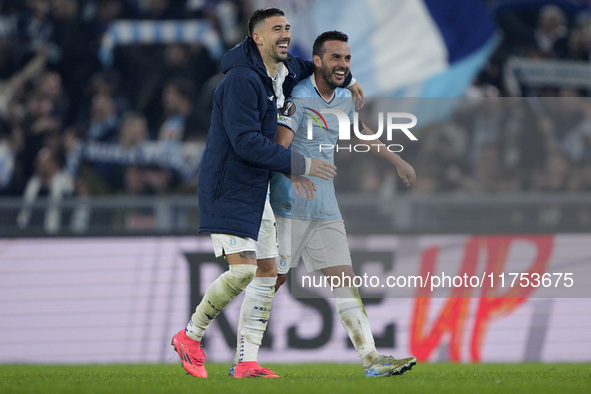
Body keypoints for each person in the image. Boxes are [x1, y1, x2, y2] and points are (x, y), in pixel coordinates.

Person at [171, 8, 365, 379]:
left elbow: (315, 67)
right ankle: (190, 335)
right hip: (228, 185)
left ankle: (246, 361)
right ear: (257, 38)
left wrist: (350, 79)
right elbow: (246, 144)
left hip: (254, 187)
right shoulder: (241, 82)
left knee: (267, 270)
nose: (285, 34)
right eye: (276, 29)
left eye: (288, 28)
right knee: (244, 271)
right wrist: (302, 165)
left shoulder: (282, 70)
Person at [265, 31, 417, 377]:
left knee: (344, 280)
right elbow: (279, 147)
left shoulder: (345, 100)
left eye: (347, 59)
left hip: (326, 207)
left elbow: (361, 132)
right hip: (291, 205)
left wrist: (397, 161)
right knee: (271, 282)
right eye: (336, 57)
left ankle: (371, 358)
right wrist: (294, 174)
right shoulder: (299, 99)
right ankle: (237, 352)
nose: (343, 65)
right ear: (317, 61)